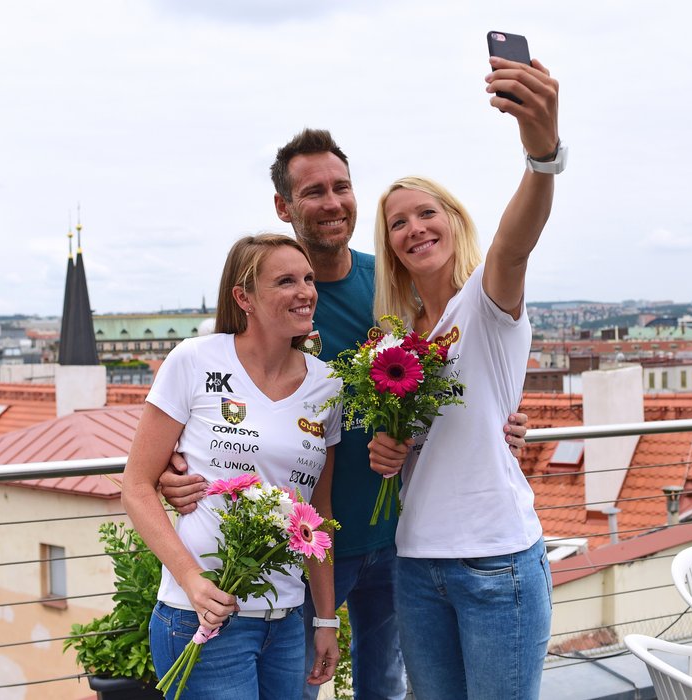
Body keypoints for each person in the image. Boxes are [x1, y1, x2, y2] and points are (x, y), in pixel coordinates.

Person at [160, 129, 531, 700]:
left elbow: (464, 356)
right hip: (304, 549)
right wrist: (172, 470)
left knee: (383, 686)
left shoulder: (393, 281)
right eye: (313, 192)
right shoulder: (270, 297)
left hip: (401, 537)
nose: (332, 203)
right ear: (284, 208)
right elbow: (221, 397)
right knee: (303, 685)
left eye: (342, 187)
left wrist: (504, 414)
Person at [367, 55, 562, 699]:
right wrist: (391, 450)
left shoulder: (485, 299)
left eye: (428, 213)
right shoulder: (395, 338)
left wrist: (542, 154)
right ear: (389, 244)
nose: (415, 228)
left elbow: (516, 241)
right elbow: (426, 440)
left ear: (454, 219)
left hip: (495, 560)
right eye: (398, 223)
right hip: (417, 560)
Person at [121, 234, 341, 699]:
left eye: (308, 279)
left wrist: (325, 619)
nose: (305, 291)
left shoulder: (327, 386)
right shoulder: (195, 360)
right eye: (285, 281)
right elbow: (137, 486)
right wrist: (191, 580)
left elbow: (317, 514)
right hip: (202, 616)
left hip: (286, 620)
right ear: (245, 298)